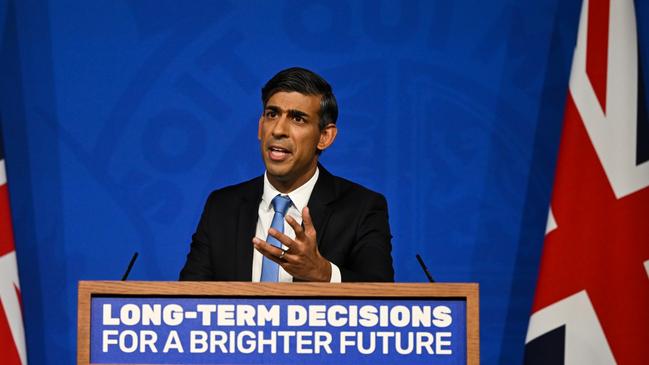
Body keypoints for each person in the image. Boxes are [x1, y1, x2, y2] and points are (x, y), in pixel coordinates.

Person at [179, 67, 393, 282]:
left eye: (297, 119)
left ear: (325, 137)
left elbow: (382, 298)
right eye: (272, 115)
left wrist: (323, 273)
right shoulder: (222, 205)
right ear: (261, 127)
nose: (278, 130)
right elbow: (188, 300)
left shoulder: (362, 207)